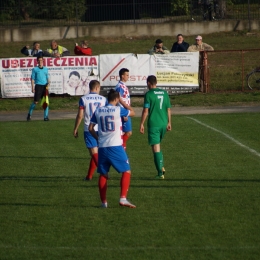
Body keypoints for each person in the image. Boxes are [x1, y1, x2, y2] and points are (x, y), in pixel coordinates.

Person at [89, 89, 136, 208]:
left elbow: (90, 128)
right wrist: (124, 105)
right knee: (127, 171)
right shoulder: (118, 109)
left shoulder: (98, 110)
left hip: (103, 146)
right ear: (116, 99)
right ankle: (123, 199)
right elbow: (133, 113)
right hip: (115, 146)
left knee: (103, 174)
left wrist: (98, 137)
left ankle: (103, 202)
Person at [73, 80, 107, 180]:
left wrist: (75, 128)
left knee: (94, 152)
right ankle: (89, 176)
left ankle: (104, 172)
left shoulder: (83, 99)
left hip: (89, 128)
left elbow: (80, 115)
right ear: (96, 88)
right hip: (101, 128)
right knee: (95, 152)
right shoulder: (103, 99)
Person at [139, 75, 171, 179]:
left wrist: (141, 124)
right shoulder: (164, 93)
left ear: (148, 83)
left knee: (156, 148)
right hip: (164, 123)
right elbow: (168, 109)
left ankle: (160, 173)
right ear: (156, 82)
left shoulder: (148, 94)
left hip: (154, 124)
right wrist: (169, 122)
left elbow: (145, 111)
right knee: (157, 145)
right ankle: (161, 166)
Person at [27, 56, 50, 121]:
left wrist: (49, 84)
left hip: (45, 86)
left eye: (41, 60)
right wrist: (32, 87)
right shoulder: (35, 69)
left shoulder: (46, 69)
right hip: (38, 86)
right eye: (39, 60)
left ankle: (46, 117)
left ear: (43, 61)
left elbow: (47, 78)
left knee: (46, 102)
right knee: (36, 102)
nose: (40, 62)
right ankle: (29, 114)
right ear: (37, 61)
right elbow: (32, 79)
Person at [115, 68, 132, 150]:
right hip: (123, 111)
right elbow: (119, 99)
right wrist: (126, 110)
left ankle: (122, 147)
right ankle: (121, 147)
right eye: (127, 75)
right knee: (128, 132)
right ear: (122, 76)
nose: (128, 77)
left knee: (126, 132)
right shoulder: (119, 86)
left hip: (126, 111)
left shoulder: (123, 85)